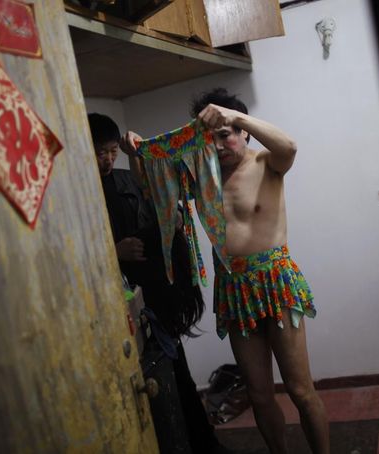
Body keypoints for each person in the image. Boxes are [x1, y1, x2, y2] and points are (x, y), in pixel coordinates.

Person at [121, 88, 329, 454]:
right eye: (211, 138)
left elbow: (291, 147)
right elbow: (155, 189)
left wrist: (235, 115)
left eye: (226, 134)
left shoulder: (267, 163)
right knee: (259, 394)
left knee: (299, 389)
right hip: (233, 287)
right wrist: (135, 154)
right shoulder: (201, 178)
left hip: (275, 280)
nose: (218, 145)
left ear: (243, 131)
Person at [88, 113, 230, 454]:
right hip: (117, 306)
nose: (107, 159)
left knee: (178, 374)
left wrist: (174, 218)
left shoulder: (126, 180)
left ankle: (204, 443)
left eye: (111, 151)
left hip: (154, 298)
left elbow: (157, 210)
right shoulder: (82, 195)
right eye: (99, 152)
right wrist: (114, 251)